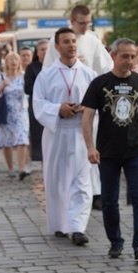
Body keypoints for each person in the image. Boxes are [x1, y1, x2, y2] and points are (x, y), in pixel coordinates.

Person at [81, 38, 138, 263]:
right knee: (109, 200)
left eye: (132, 56)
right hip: (108, 151)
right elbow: (86, 117)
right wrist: (90, 147)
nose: (129, 60)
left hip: (136, 150)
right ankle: (115, 241)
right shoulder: (100, 83)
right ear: (113, 56)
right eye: (124, 56)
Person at [43, 4, 113, 210]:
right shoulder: (56, 42)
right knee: (72, 155)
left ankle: (96, 193)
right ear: (72, 21)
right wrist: (70, 63)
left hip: (89, 102)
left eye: (88, 22)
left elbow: (105, 68)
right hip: (66, 103)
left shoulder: (92, 40)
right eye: (81, 23)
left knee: (92, 147)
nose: (85, 26)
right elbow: (48, 72)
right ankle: (69, 194)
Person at [33, 27, 97, 245]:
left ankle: (78, 227)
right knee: (58, 180)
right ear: (57, 46)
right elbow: (38, 104)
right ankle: (61, 223)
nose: (71, 45)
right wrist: (58, 109)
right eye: (66, 42)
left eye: (73, 41)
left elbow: (98, 104)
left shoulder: (89, 74)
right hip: (57, 132)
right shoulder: (46, 74)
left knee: (82, 182)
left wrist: (86, 110)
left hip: (82, 133)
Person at [0, 52, 30, 178]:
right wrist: (2, 87)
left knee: (22, 138)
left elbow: (29, 92)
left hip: (21, 111)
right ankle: (10, 167)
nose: (14, 62)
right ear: (6, 62)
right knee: (7, 140)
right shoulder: (1, 77)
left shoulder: (23, 76)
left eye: (16, 60)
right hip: (7, 112)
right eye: (11, 59)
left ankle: (21, 168)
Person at [24, 39, 48, 162]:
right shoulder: (32, 68)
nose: (45, 52)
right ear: (37, 53)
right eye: (42, 49)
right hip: (37, 106)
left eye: (47, 49)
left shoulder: (55, 66)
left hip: (53, 106)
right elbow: (27, 88)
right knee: (38, 136)